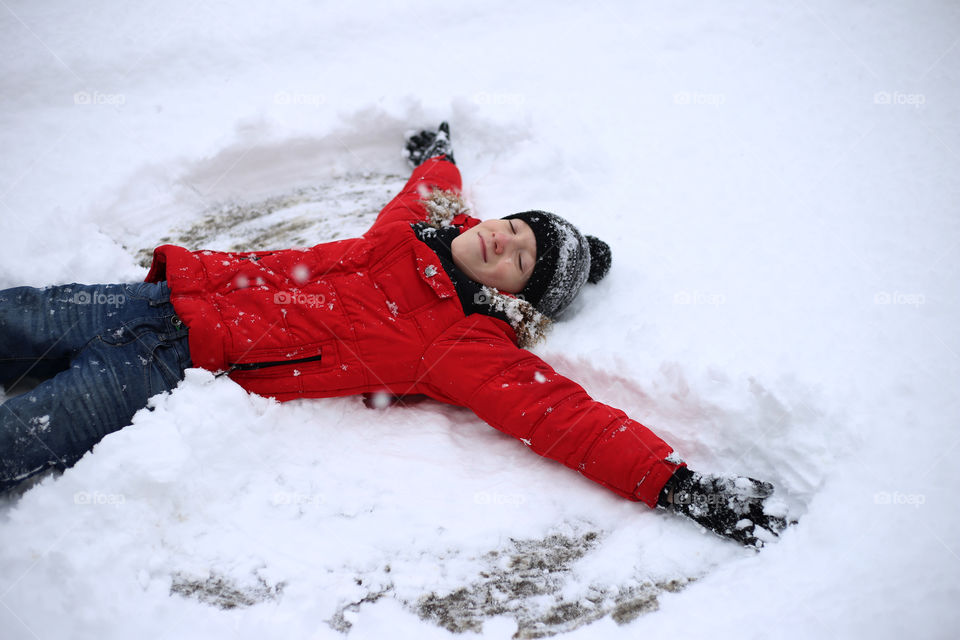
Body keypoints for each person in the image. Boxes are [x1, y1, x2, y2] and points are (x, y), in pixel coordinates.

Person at [0, 123, 790, 548]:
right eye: (515, 228)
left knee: (21, 436)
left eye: (520, 262)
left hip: (167, 366)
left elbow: (563, 419)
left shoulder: (463, 345)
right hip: (156, 299)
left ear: (514, 297)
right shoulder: (409, 236)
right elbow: (426, 192)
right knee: (16, 317)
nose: (504, 244)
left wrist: (678, 484)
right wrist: (439, 158)